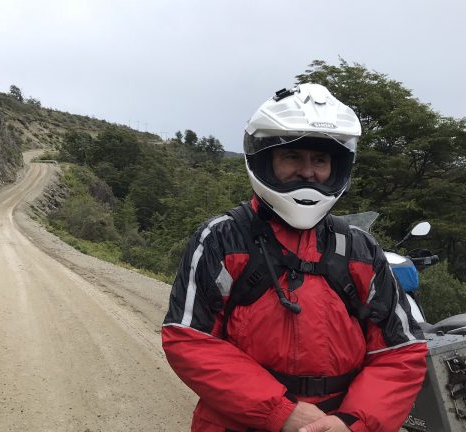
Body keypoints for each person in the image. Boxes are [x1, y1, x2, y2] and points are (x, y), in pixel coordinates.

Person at [161, 83, 428, 432]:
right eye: (292, 157)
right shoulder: (223, 239)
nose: (308, 171)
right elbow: (187, 338)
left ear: (337, 166)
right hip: (240, 422)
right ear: (265, 160)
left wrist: (352, 422)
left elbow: (401, 351)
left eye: (320, 160)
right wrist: (280, 412)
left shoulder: (361, 249)